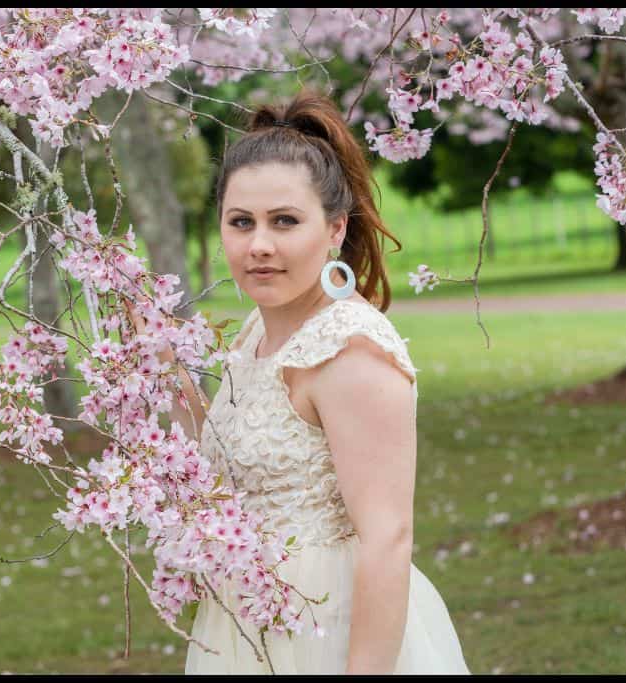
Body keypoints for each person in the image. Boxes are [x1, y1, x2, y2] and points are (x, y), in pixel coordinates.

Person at [132, 88, 470, 674]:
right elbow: (224, 465)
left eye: (284, 221)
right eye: (242, 223)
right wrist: (166, 366)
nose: (259, 245)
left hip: (328, 630)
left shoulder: (350, 351)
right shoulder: (252, 334)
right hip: (247, 622)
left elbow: (388, 539)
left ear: (335, 228)